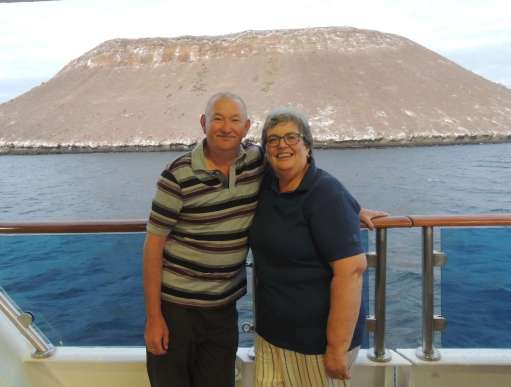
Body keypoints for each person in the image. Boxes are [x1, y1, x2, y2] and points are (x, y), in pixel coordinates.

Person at [143, 93, 384, 387]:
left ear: (246, 128)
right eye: (218, 119)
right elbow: (153, 246)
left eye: (235, 120)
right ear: (204, 123)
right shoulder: (185, 174)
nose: (226, 127)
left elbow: (349, 264)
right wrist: (154, 317)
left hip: (228, 313)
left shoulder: (276, 171)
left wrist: (351, 208)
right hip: (180, 310)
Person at [248, 108, 367, 387]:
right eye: (273, 140)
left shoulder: (326, 194)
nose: (282, 145)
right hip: (271, 338)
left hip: (314, 346)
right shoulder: (268, 186)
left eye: (292, 137)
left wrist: (337, 349)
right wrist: (356, 208)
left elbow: (351, 272)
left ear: (308, 145)